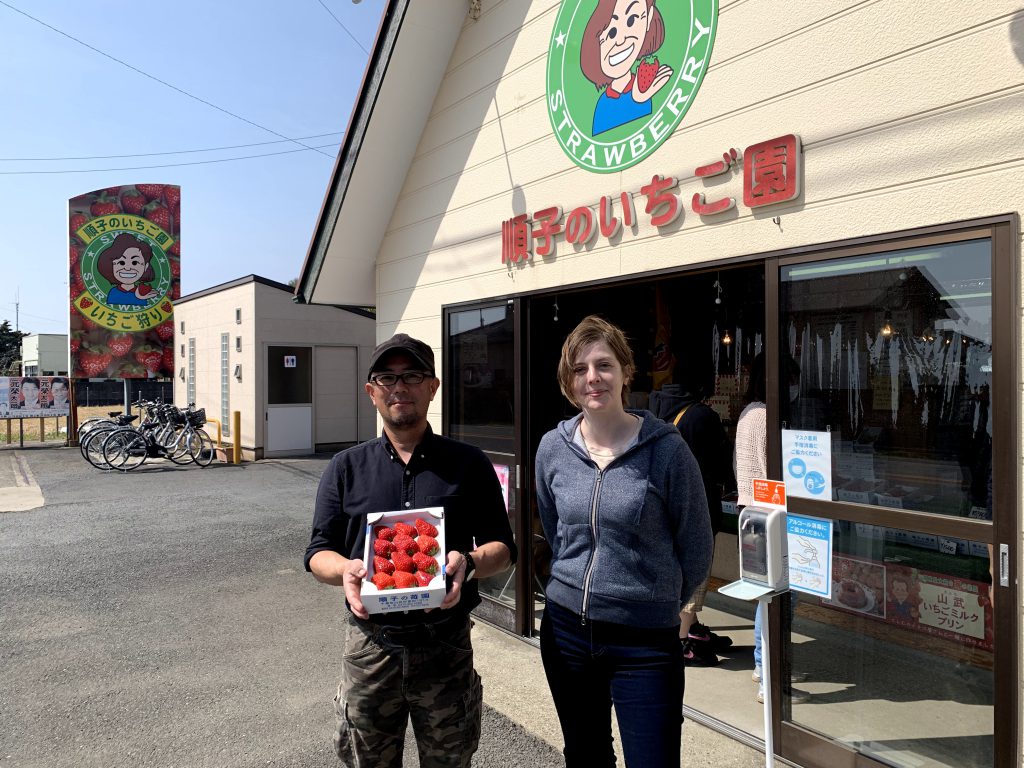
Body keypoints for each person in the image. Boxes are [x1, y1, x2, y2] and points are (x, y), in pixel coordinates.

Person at [305, 333, 517, 768]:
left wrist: (470, 563)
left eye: (412, 375)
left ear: (433, 386)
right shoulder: (345, 467)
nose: (398, 387)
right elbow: (317, 552)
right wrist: (346, 569)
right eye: (386, 377)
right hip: (370, 648)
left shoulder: (469, 463)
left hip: (446, 646)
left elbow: (505, 548)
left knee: (451, 760)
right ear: (371, 392)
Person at [535, 315, 713, 767]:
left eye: (604, 365)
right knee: (586, 755)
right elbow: (556, 529)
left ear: (625, 372)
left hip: (646, 641)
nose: (592, 378)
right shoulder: (552, 449)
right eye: (579, 369)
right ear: (568, 381)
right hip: (566, 632)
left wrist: (683, 613)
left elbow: (696, 541)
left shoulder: (667, 450)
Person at [650, 360, 733, 666]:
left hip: (662, 504)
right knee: (695, 567)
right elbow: (722, 460)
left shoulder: (655, 409)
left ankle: (690, 627)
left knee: (673, 566)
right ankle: (682, 638)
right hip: (699, 503)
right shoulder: (701, 415)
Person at [737, 354, 808, 704]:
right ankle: (769, 674)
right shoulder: (766, 416)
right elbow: (778, 474)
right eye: (791, 378)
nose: (795, 386)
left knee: (767, 594)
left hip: (752, 513)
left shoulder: (748, 412)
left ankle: (762, 664)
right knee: (780, 597)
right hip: (773, 517)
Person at [580, 0, 674, 135]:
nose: (620, 40)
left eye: (631, 20)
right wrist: (637, 100)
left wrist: (641, 98)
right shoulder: (603, 105)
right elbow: (604, 137)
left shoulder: (644, 84)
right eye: (611, 33)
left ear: (648, 18)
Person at [97, 232, 157, 307]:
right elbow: (113, 304)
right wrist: (139, 297)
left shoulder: (142, 292)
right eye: (121, 262)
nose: (127, 268)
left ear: (145, 267)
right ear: (112, 265)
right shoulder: (113, 292)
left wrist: (141, 297)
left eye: (135, 262)